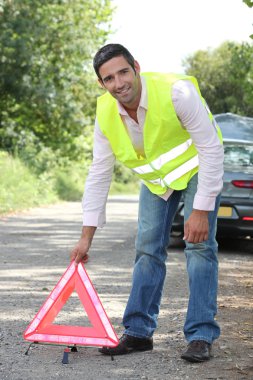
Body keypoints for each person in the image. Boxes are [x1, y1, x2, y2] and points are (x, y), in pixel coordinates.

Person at [70, 44, 224, 363]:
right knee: (147, 248)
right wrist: (86, 237)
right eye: (109, 78)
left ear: (136, 67)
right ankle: (139, 332)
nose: (119, 83)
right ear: (102, 83)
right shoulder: (105, 114)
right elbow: (99, 172)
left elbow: (210, 148)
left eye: (123, 72)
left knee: (199, 247)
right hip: (158, 181)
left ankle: (200, 335)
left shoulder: (177, 92)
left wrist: (201, 209)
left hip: (199, 168)